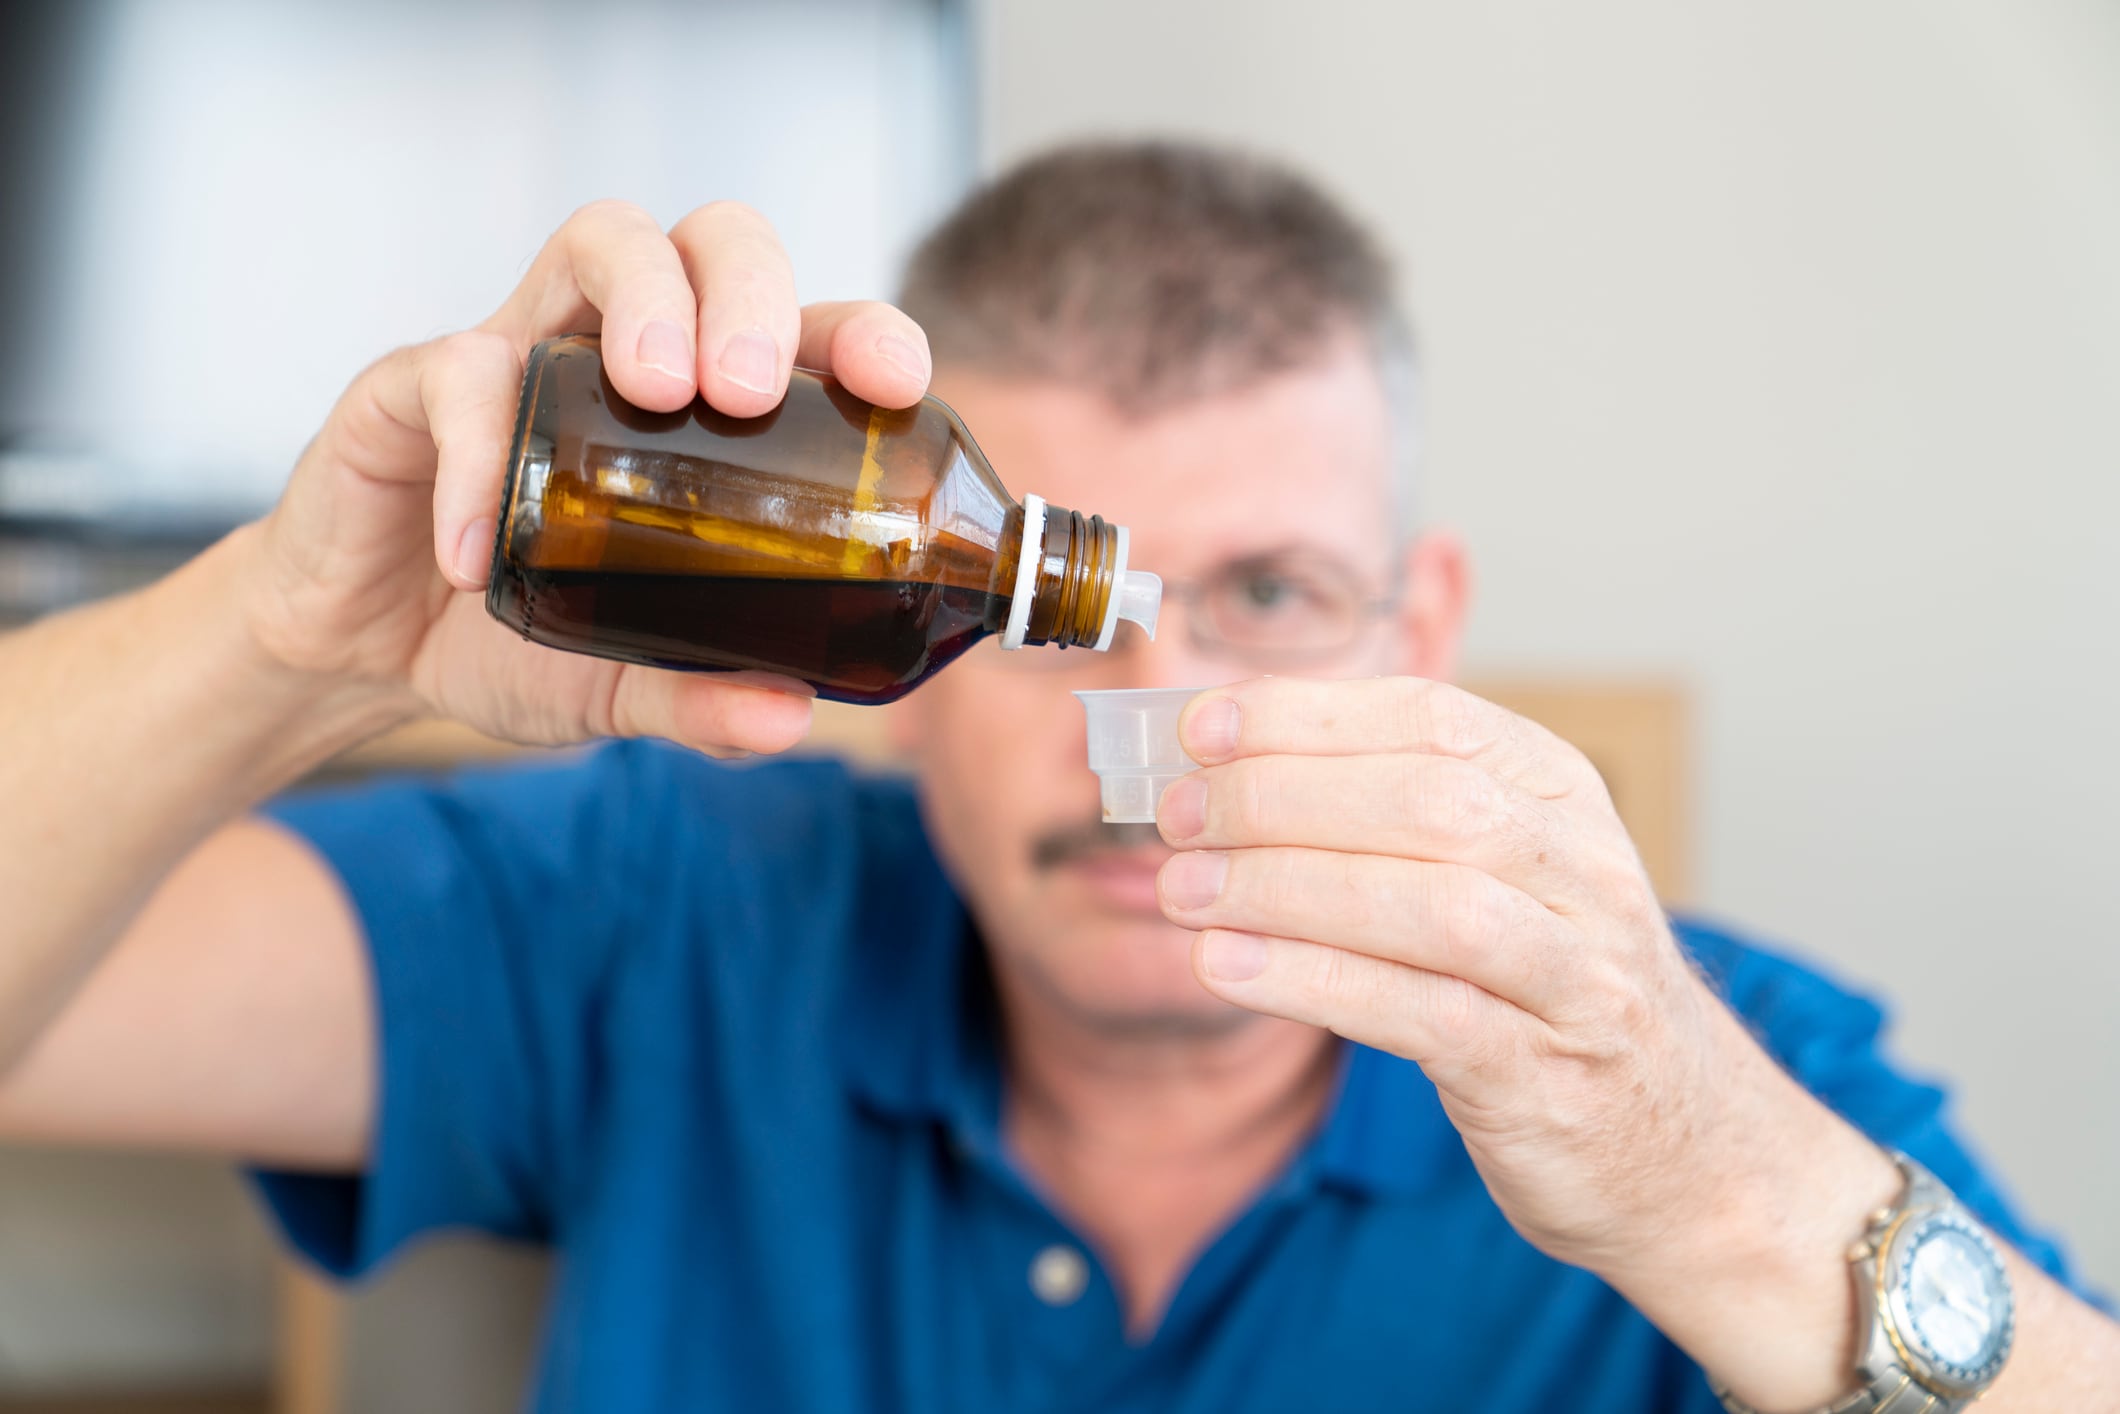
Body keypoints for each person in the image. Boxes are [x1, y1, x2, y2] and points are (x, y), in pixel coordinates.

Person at [0, 141, 2112, 1412]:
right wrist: (283, 645)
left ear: (1422, 617)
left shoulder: (1698, 1064)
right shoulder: (670, 905)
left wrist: (1716, 1181)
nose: (1167, 719)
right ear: (890, 628)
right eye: (1064, 613)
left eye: (1273, 587)